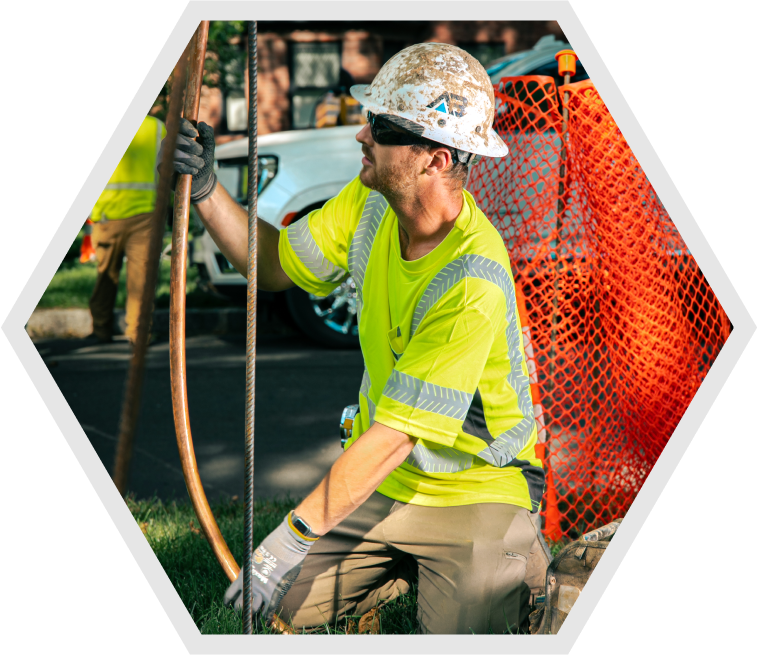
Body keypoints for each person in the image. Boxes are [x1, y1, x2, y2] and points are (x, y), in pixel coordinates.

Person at [164, 43, 546, 635]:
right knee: (276, 613)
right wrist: (209, 190)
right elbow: (277, 266)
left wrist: (285, 543)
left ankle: (516, 566)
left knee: (468, 641)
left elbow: (395, 435)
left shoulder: (474, 278)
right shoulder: (371, 199)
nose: (362, 135)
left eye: (384, 127)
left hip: (477, 492)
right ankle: (401, 563)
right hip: (386, 483)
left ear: (437, 160)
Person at [88, 115, 166, 343]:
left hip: (106, 215)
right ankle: (139, 333)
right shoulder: (156, 127)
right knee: (141, 279)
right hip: (146, 214)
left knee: (105, 276)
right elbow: (169, 169)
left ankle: (101, 330)